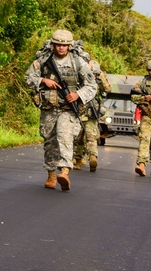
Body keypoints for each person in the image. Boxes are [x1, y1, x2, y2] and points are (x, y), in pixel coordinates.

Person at [25, 29, 97, 191]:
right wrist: (43, 80)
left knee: (65, 136)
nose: (61, 48)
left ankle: (64, 171)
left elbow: (92, 86)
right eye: (58, 45)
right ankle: (51, 174)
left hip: (68, 109)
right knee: (49, 141)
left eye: (64, 45)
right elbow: (28, 78)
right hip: (49, 108)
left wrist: (78, 94)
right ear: (53, 45)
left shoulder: (78, 62)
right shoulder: (43, 61)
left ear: (69, 46)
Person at [73, 57, 111, 172]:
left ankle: (92, 157)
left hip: (91, 114)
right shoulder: (79, 81)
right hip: (79, 112)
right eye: (91, 73)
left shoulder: (98, 83)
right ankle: (78, 160)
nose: (92, 76)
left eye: (94, 74)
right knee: (78, 138)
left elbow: (108, 89)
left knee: (91, 137)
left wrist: (101, 75)